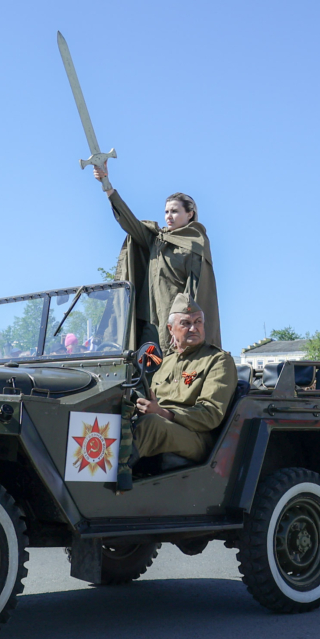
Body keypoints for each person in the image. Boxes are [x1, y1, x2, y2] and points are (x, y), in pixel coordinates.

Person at [91, 162, 220, 352]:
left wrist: (186, 324)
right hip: (149, 319)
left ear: (190, 214)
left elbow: (195, 290)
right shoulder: (156, 239)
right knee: (144, 370)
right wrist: (107, 186)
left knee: (173, 370)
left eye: (175, 211)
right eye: (167, 211)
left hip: (176, 320)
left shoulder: (195, 243)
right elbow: (130, 222)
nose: (169, 216)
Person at [131, 294, 236, 464]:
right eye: (186, 323)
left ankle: (110, 481)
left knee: (151, 425)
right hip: (162, 426)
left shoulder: (218, 360)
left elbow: (211, 413)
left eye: (198, 322)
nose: (194, 329)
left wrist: (164, 413)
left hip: (196, 437)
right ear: (170, 329)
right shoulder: (165, 361)